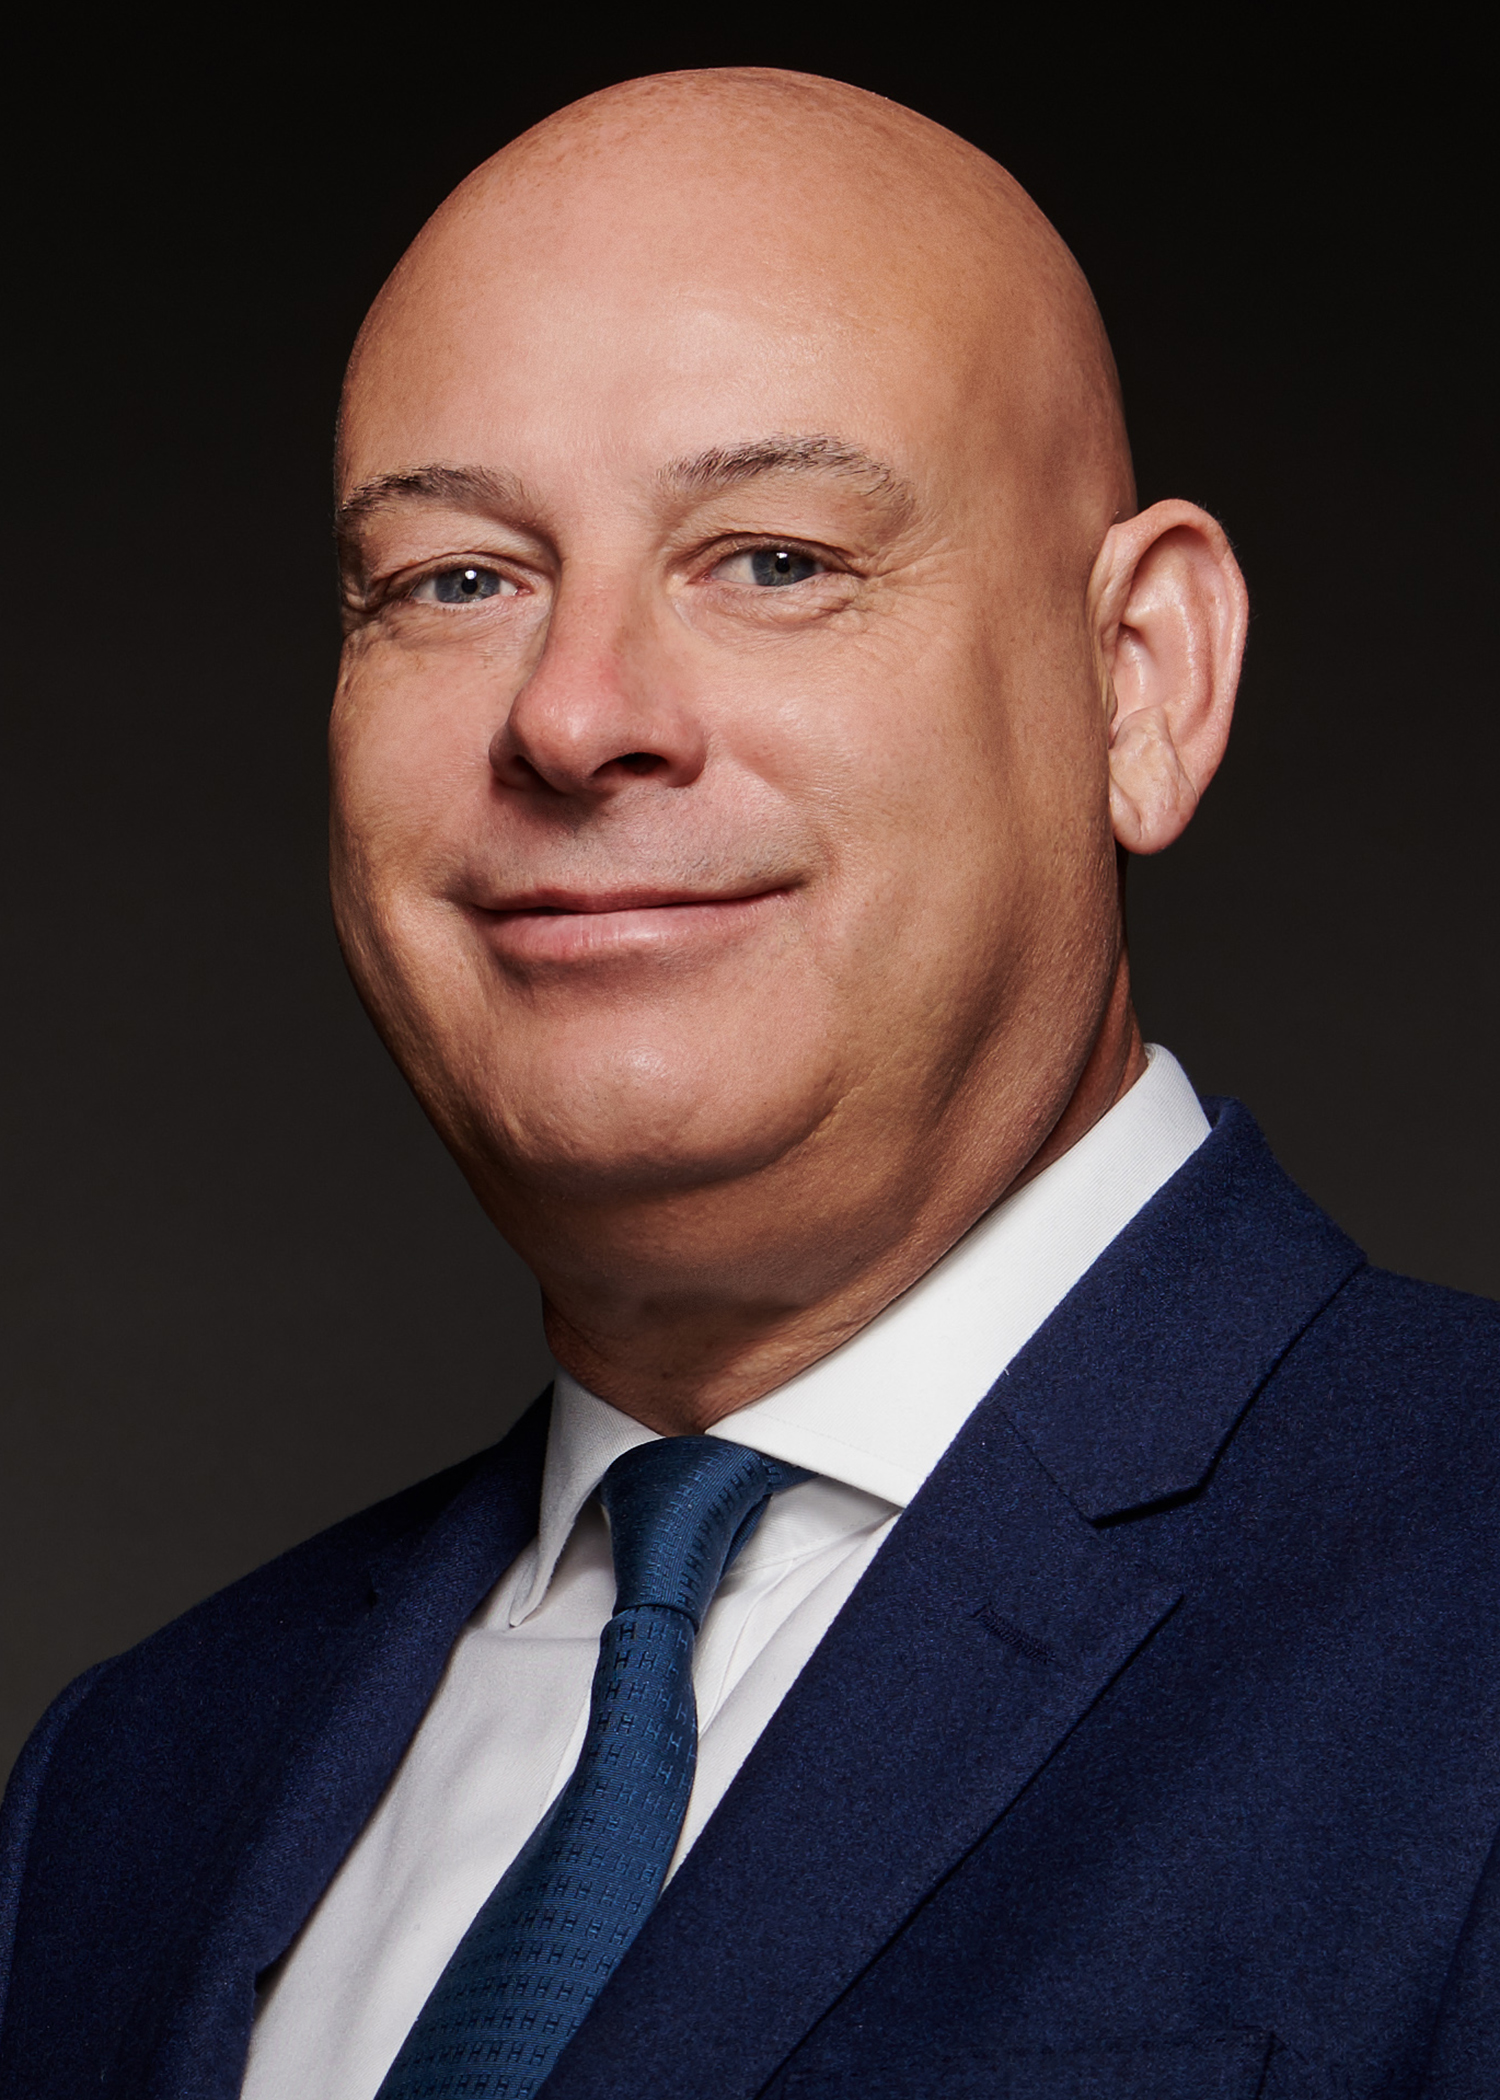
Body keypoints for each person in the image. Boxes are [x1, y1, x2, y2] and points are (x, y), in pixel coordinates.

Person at [0, 64, 1496, 2100]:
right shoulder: (125, 1789)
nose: (575, 715)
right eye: (456, 579)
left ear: (1138, 683)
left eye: (775, 558)